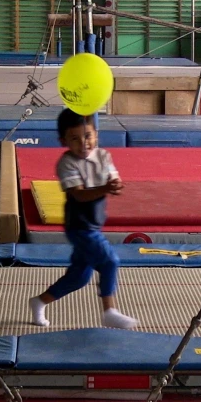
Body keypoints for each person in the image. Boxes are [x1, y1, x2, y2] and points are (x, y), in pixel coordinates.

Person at [29, 109, 138, 330]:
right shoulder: (66, 163)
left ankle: (40, 301)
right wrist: (106, 187)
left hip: (94, 224)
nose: (84, 143)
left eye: (88, 136)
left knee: (78, 277)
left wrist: (115, 185)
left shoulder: (104, 156)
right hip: (79, 226)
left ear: (96, 134)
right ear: (63, 141)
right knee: (110, 261)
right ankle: (109, 311)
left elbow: (113, 179)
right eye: (75, 139)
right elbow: (79, 194)